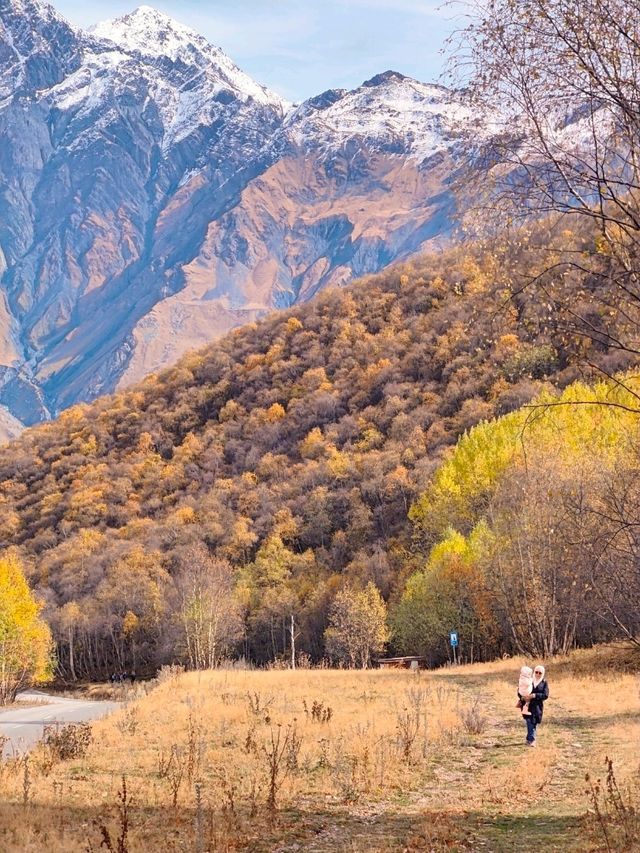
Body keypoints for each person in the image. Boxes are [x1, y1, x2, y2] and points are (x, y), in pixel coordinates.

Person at [523, 664, 549, 746]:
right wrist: (523, 697)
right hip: (527, 705)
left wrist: (535, 695)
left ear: (543, 673)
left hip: (537, 706)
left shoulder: (544, 683)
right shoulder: (529, 680)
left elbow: (545, 695)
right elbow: (520, 690)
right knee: (529, 721)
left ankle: (529, 739)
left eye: (540, 673)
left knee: (533, 722)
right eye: (536, 672)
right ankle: (532, 740)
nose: (537, 674)